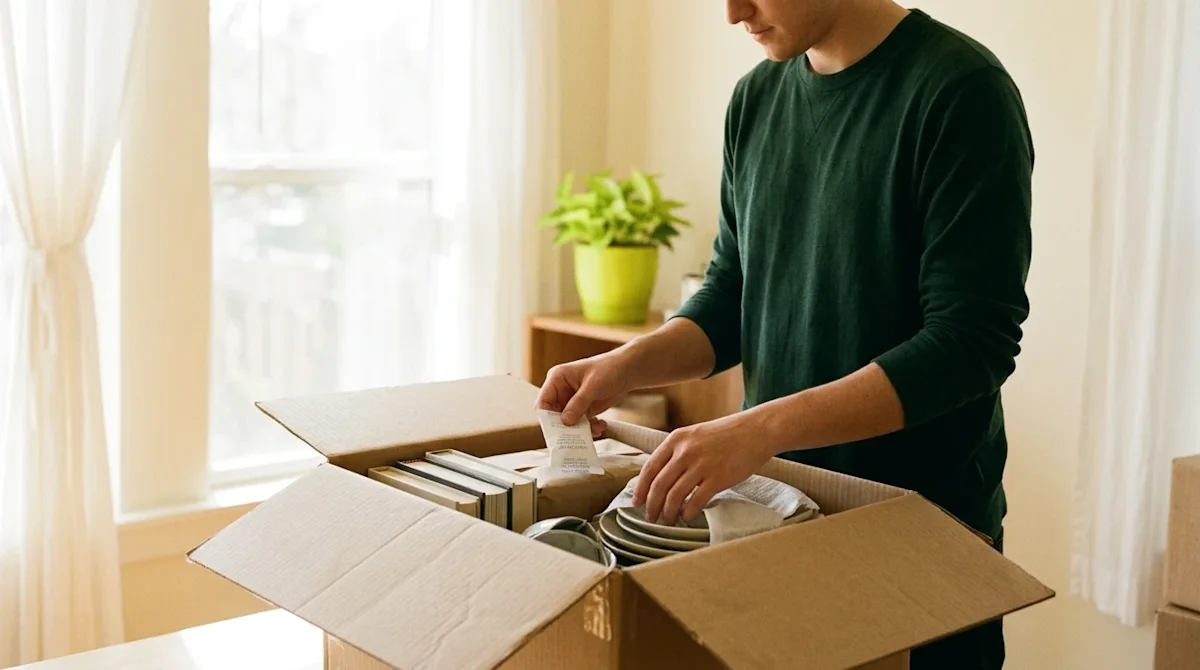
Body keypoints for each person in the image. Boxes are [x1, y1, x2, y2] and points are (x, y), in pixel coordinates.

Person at [536, 0, 1032, 667]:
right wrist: (624, 366)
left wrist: (760, 429)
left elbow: (971, 342)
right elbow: (729, 298)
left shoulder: (960, 92)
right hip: (778, 520)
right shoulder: (756, 98)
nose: (734, 13)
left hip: (920, 539)